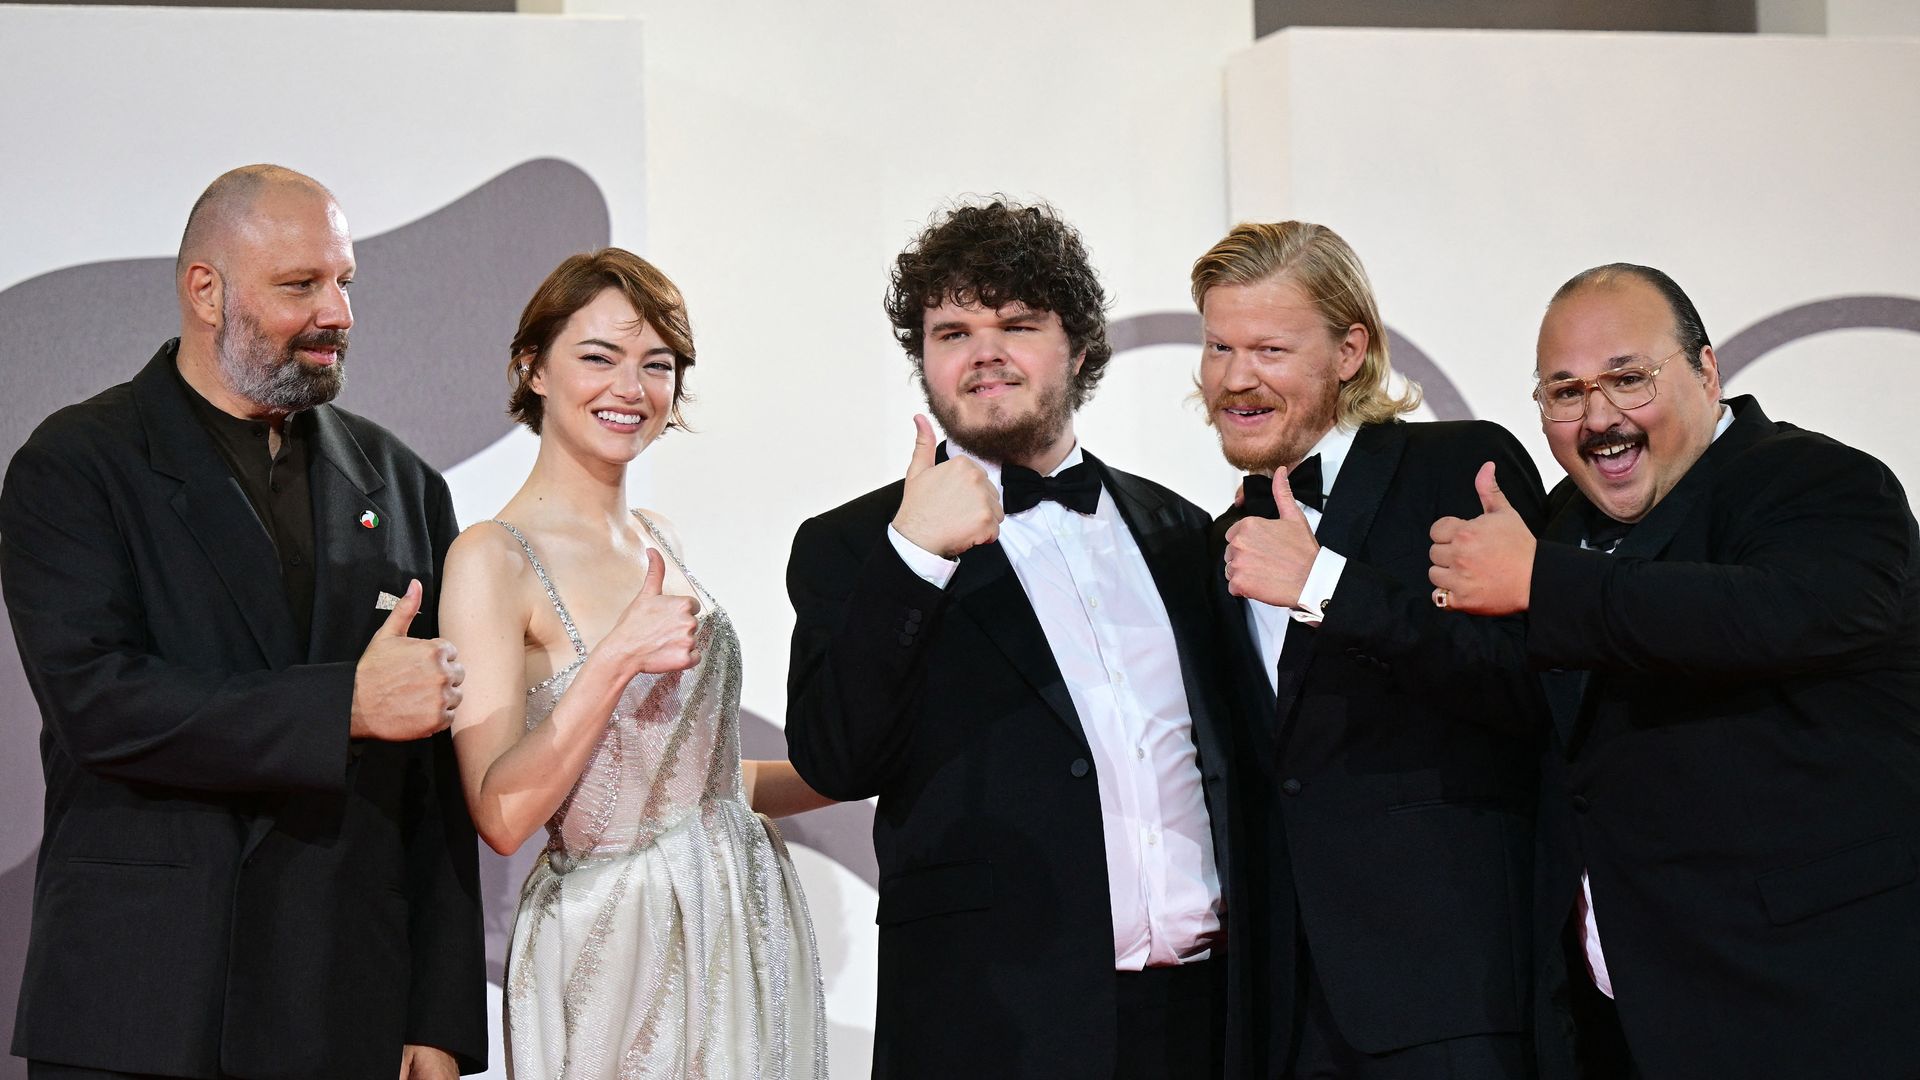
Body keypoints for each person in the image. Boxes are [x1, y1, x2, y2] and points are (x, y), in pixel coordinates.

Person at [0, 165, 484, 1078]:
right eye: (301, 285)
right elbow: (98, 702)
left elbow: (431, 782)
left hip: (347, 999)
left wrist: (442, 1011)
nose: (337, 312)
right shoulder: (77, 465)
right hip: (146, 1002)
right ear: (207, 290)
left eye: (345, 281)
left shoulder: (405, 483)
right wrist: (341, 704)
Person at [1428, 263, 1920, 1079]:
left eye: (1628, 379)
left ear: (1707, 369)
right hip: (1632, 1026)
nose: (1600, 417)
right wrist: (1324, 587)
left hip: (1825, 1012)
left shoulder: (1826, 483)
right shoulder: (1557, 524)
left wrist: (1542, 583)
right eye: (1566, 392)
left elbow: (1766, 616)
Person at [785, 199, 1239, 1079]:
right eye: (952, 331)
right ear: (924, 362)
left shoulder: (1183, 533)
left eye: (1018, 324)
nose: (984, 350)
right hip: (990, 1025)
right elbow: (839, 759)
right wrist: (913, 558)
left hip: (1202, 1019)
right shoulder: (854, 546)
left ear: (1077, 346)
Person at [438, 248, 830, 1079]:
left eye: (658, 365)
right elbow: (501, 815)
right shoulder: (490, 558)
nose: (632, 388)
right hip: (615, 938)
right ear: (531, 368)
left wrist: (858, 766)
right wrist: (614, 658)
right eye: (599, 357)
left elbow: (700, 785)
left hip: (737, 916)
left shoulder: (660, 537)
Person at [1196, 221, 1547, 1079]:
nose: (1237, 378)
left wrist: (1328, 588)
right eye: (1218, 347)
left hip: (1454, 994)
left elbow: (1530, 693)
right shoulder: (1212, 547)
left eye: (1271, 348)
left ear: (1350, 350)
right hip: (1285, 1017)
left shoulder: (1462, 468)